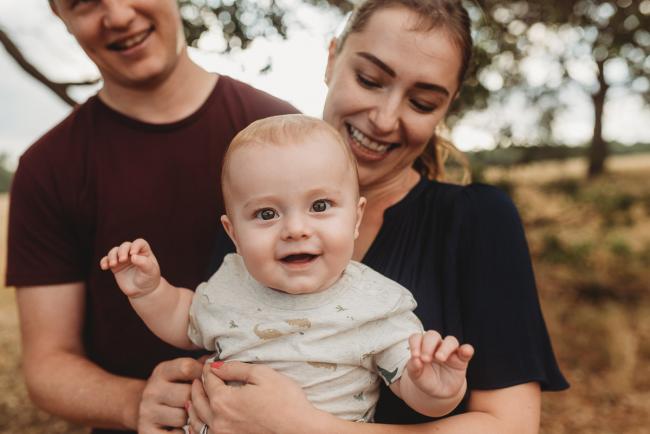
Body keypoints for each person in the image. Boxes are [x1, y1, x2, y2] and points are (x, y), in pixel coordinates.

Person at [188, 1, 569, 433]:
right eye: (370, 80)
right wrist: (173, 390)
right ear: (332, 59)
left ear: (448, 107)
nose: (385, 119)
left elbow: (512, 428)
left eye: (422, 103)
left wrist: (304, 426)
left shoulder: (478, 221)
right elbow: (218, 343)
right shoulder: (257, 203)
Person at [5, 1, 297, 433]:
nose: (119, 16)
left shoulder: (281, 129)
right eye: (84, 2)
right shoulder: (48, 168)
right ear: (60, 16)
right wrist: (135, 401)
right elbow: (48, 365)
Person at [100, 114, 475, 424]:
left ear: (356, 218)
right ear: (233, 233)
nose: (296, 229)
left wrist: (437, 389)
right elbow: (184, 319)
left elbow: (409, 384)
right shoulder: (231, 283)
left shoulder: (376, 305)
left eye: (320, 206)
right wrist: (149, 291)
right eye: (267, 214)